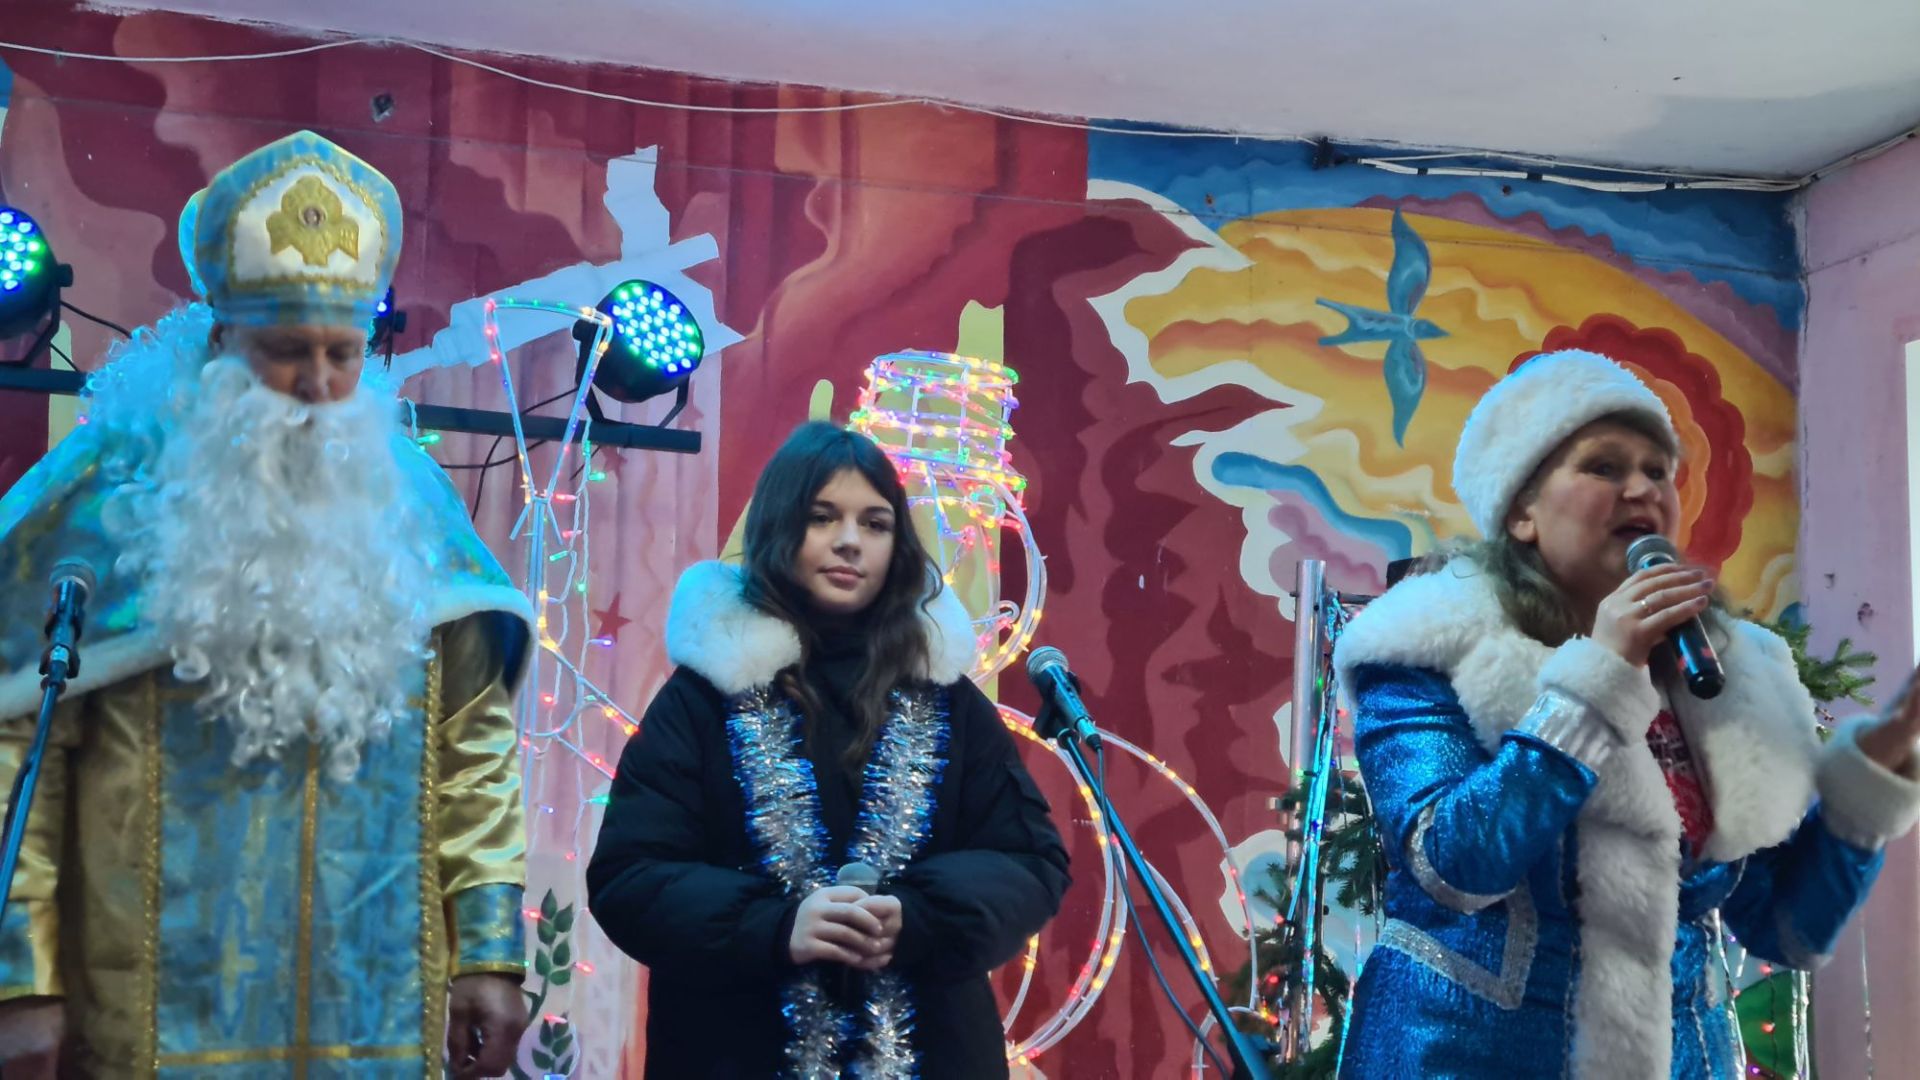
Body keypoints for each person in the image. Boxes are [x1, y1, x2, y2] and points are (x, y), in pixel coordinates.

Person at [0, 131, 535, 1078]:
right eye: (286, 351)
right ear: (219, 341)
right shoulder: (104, 496)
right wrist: (20, 980)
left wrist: (490, 952)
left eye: (343, 354)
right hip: (143, 1021)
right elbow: (16, 755)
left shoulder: (406, 505)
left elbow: (473, 746)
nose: (319, 387)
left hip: (373, 1018)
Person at [1330, 349, 1920, 1078]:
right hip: (1463, 1056)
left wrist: (1881, 765)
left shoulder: (1732, 670)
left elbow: (1784, 930)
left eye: (1658, 471)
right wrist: (1603, 677)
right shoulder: (1430, 647)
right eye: (1604, 467)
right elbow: (1453, 867)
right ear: (1521, 510)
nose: (1641, 489)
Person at [587, 422, 1070, 1078]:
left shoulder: (948, 700)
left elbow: (1030, 862)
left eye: (875, 523)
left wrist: (914, 918)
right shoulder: (703, 698)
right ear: (779, 528)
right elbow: (629, 879)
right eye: (822, 518)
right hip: (736, 1047)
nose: (849, 541)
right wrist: (779, 927)